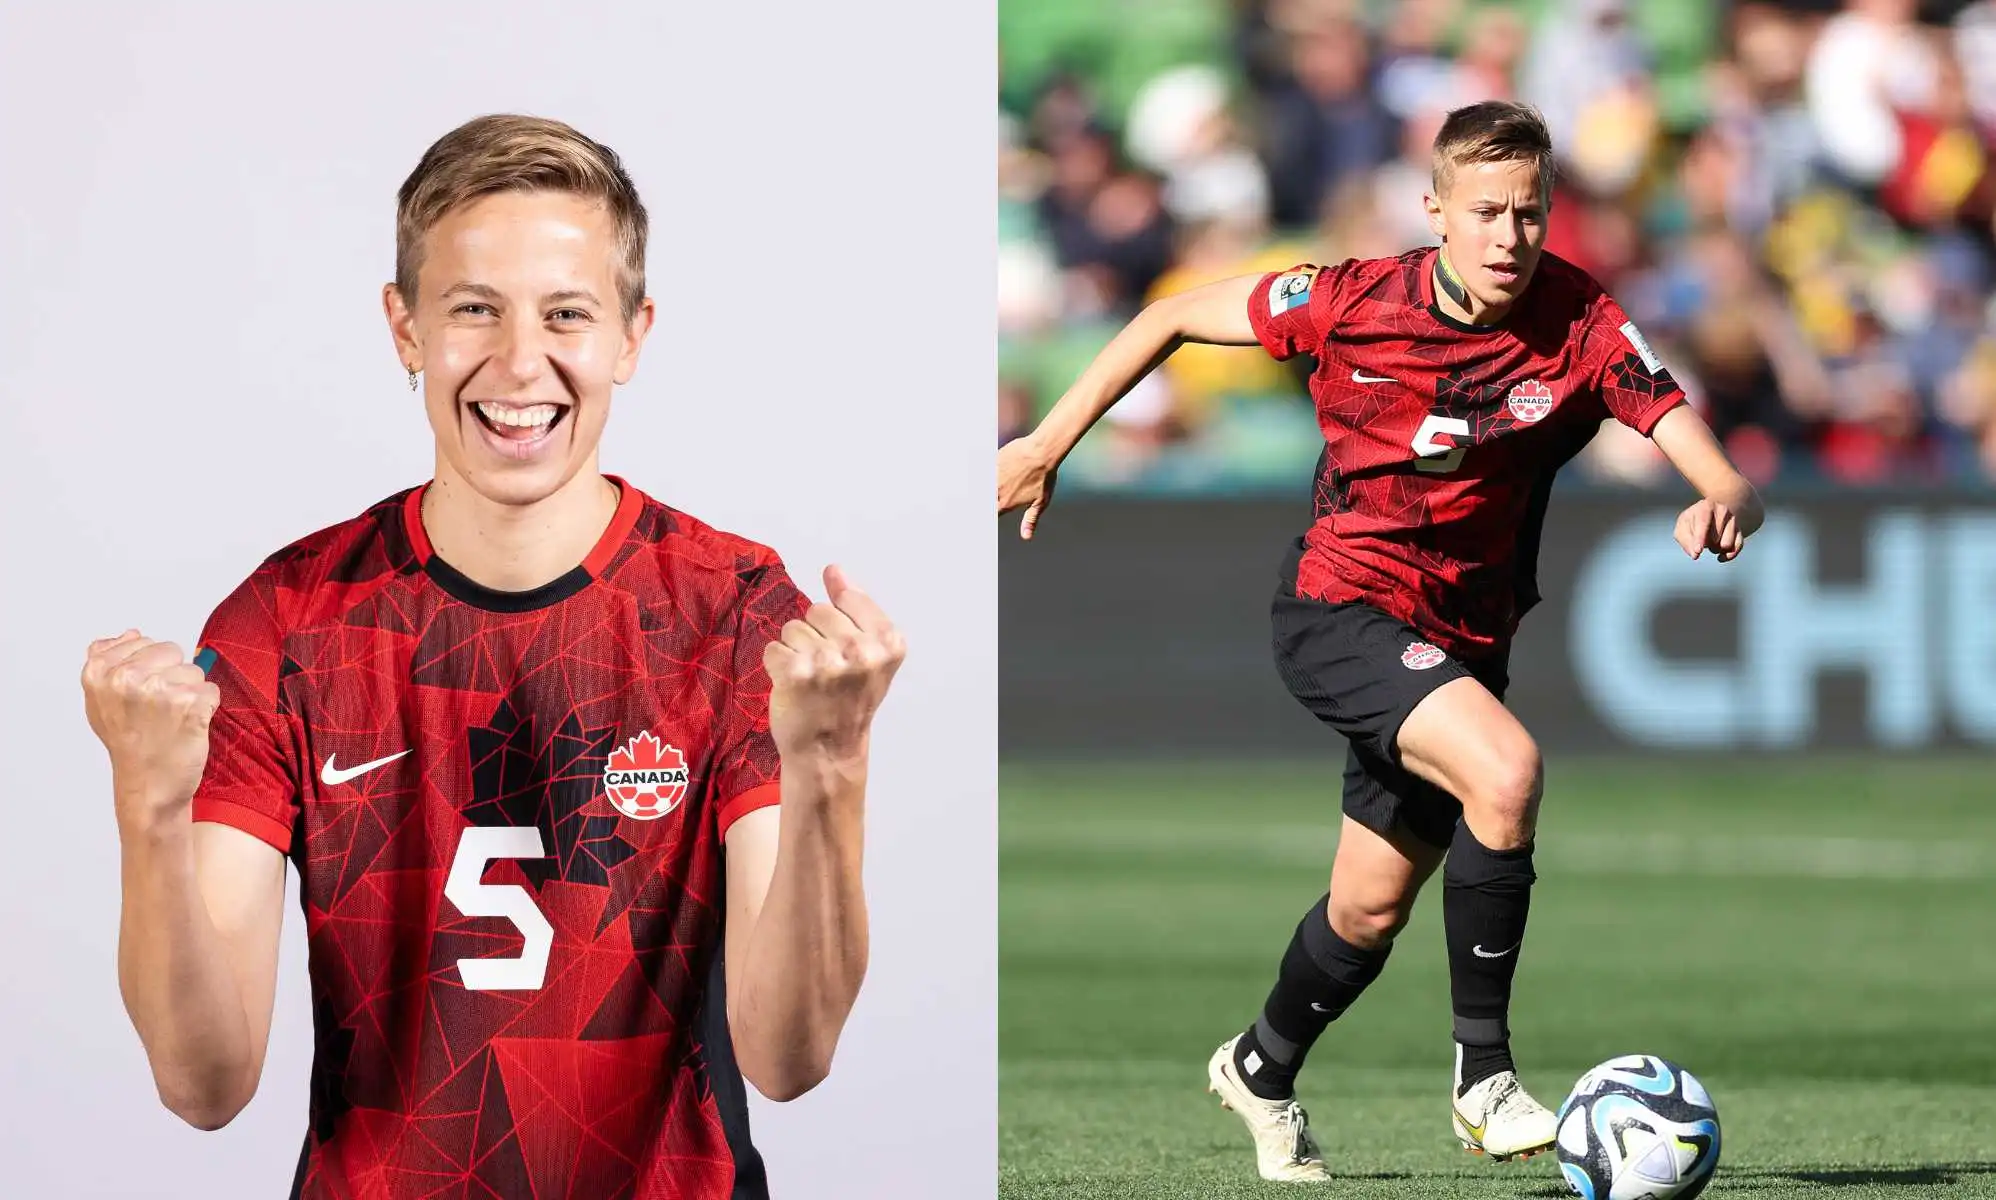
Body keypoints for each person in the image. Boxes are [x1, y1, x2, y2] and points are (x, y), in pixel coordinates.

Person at [81, 114, 905, 1200]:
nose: (522, 363)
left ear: (631, 335)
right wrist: (146, 805)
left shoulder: (736, 612)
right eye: (474, 310)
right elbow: (204, 1084)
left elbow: (789, 1060)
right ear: (405, 328)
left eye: (567, 313)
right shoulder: (286, 622)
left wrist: (832, 769)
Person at [997, 100, 1762, 1183]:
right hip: (1338, 607)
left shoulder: (1581, 320)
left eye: (1530, 214)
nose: (1509, 237)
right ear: (1435, 208)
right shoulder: (1350, 299)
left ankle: (1259, 1068)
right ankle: (1483, 1080)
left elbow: (1710, 457)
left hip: (1461, 641)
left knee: (1367, 906)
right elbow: (1162, 318)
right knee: (1508, 770)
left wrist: (1722, 497)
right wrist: (1043, 442)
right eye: (1487, 211)